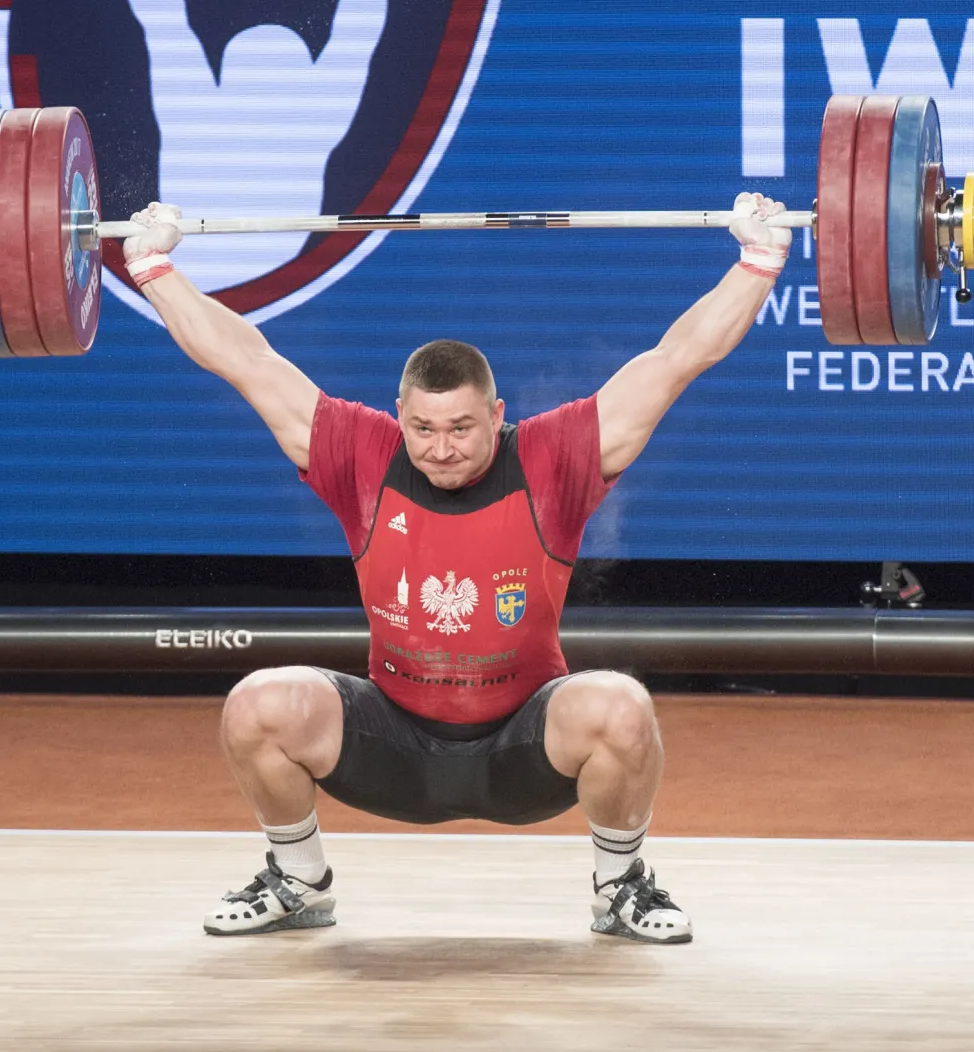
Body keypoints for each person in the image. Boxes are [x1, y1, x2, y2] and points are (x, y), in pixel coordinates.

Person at [122, 193, 791, 943]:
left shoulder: (552, 458)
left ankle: (620, 886)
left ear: (498, 415)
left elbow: (674, 361)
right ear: (399, 415)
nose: (441, 448)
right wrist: (154, 271)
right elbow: (248, 361)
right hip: (391, 746)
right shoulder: (360, 454)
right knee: (258, 703)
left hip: (525, 748)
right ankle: (299, 880)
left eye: (463, 428)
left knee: (620, 707)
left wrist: (757, 264)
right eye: (424, 428)